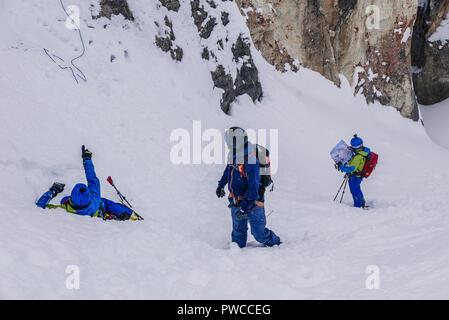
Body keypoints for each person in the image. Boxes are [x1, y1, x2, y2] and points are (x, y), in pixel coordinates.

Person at [216, 127, 281, 248]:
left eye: (229, 142)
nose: (227, 145)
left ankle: (276, 243)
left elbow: (253, 188)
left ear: (237, 143)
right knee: (238, 233)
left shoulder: (251, 161)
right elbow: (228, 171)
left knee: (259, 234)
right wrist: (221, 185)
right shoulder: (234, 155)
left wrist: (244, 208)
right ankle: (236, 255)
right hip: (236, 200)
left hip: (253, 202)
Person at [36, 146, 139, 221]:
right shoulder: (94, 199)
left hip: (84, 208)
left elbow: (40, 206)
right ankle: (130, 215)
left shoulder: (64, 209)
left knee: (63, 200)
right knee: (105, 202)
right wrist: (87, 159)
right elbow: (92, 178)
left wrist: (53, 191)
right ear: (89, 196)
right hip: (97, 209)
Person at [335, 135, 370, 208]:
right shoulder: (362, 152)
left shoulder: (357, 157)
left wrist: (341, 167)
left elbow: (351, 169)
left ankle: (358, 206)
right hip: (358, 177)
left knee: (355, 192)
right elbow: (358, 150)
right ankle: (362, 203)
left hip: (354, 177)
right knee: (357, 190)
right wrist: (353, 149)